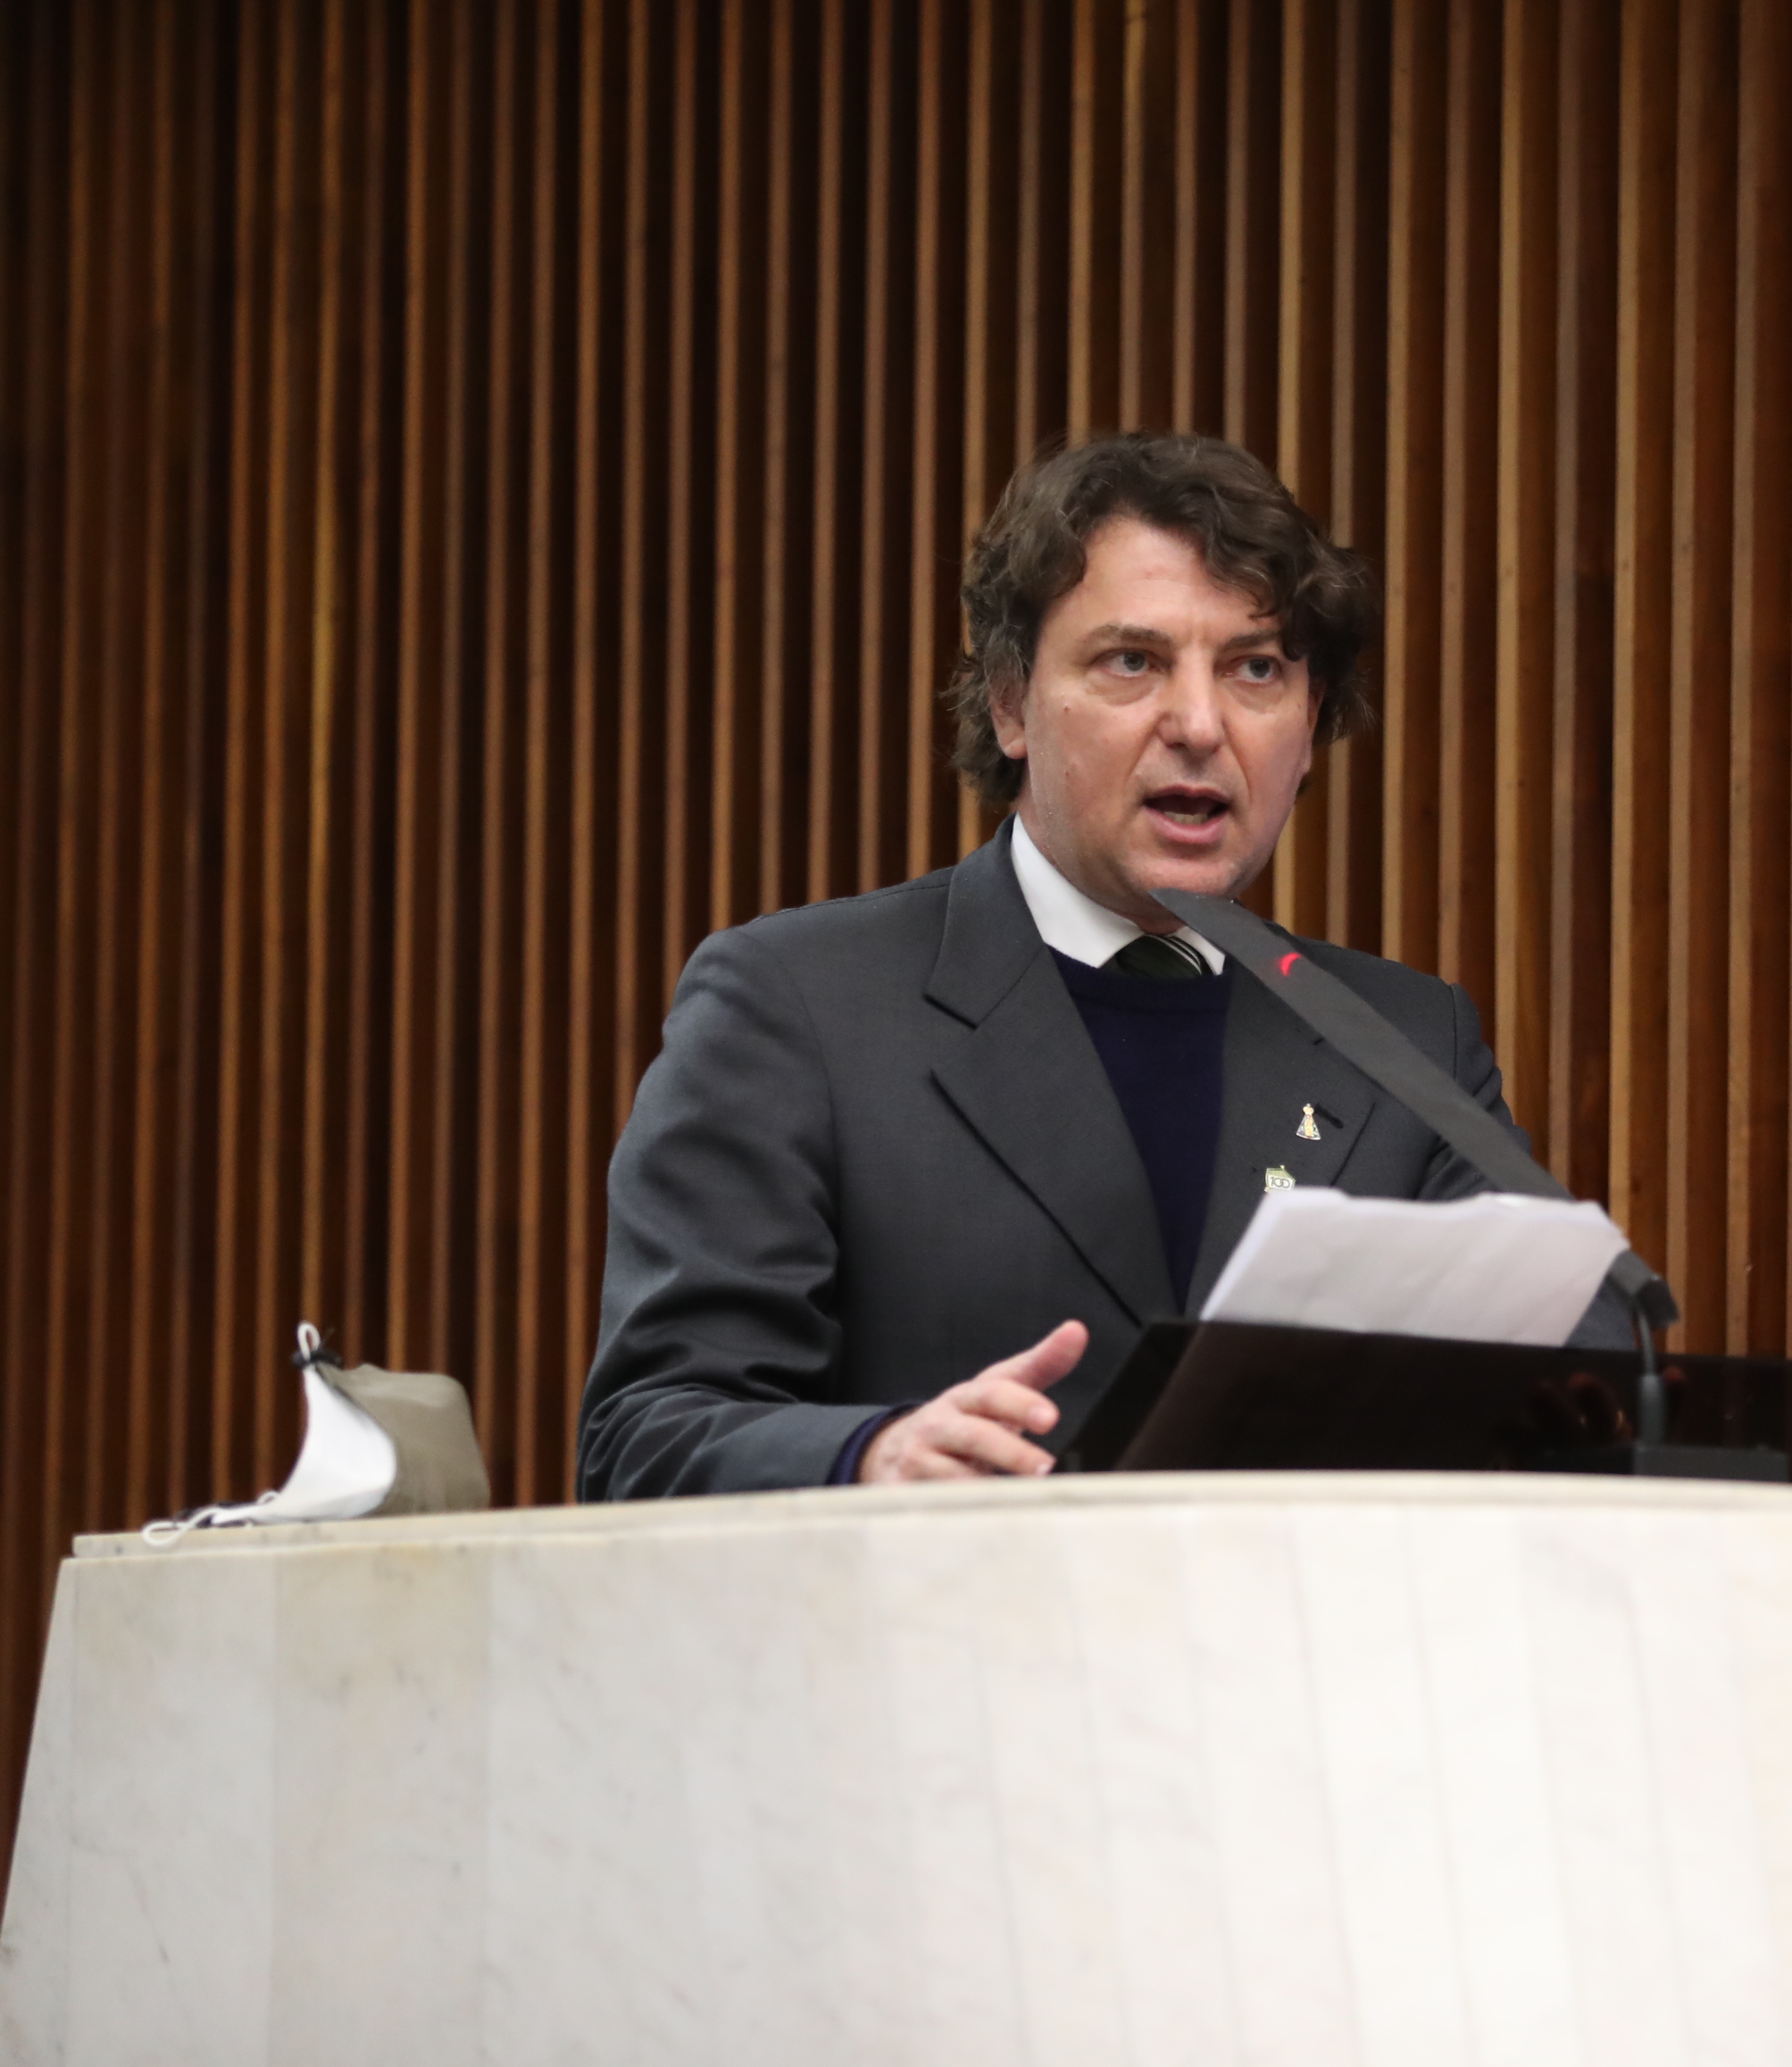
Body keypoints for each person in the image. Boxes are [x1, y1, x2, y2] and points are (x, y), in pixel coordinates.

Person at [577, 432, 1607, 1496]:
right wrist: (871, 1455)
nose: (1200, 724)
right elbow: (645, 1434)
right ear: (1011, 701)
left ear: (1309, 727)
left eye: (1255, 668)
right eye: (1133, 662)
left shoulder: (1405, 1038)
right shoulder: (798, 1004)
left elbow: (1582, 1368)